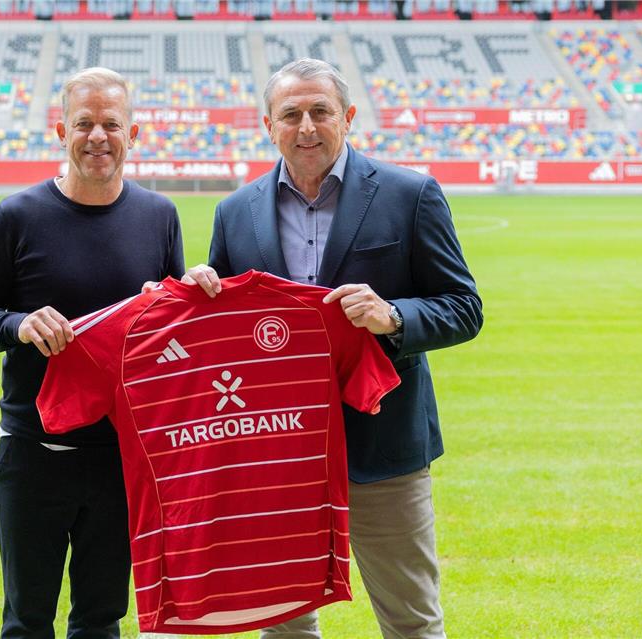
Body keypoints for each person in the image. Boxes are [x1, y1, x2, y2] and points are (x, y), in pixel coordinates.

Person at [178, 58, 483, 638]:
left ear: (347, 117)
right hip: (277, 452)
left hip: (384, 448)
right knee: (284, 623)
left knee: (411, 621)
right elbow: (219, 330)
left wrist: (393, 316)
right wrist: (198, 293)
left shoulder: (409, 194)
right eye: (291, 114)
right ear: (268, 125)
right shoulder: (235, 211)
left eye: (320, 111)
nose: (307, 127)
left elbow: (464, 308)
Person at [0, 67, 185, 639]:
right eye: (84, 123)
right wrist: (18, 324)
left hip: (120, 454)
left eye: (112, 124)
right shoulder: (17, 215)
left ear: (135, 134)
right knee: (27, 619)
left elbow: (173, 327)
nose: (98, 136)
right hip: (34, 451)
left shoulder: (159, 216)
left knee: (101, 618)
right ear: (62, 130)